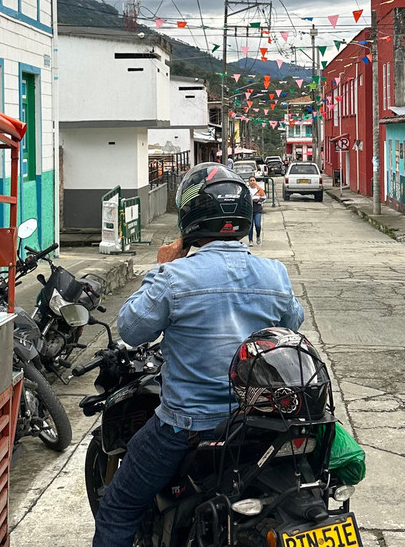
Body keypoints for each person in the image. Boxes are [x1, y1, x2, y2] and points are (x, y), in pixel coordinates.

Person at [92, 163, 303, 547]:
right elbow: (294, 322)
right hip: (257, 426)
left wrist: (160, 269)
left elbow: (131, 329)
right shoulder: (274, 273)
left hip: (187, 428)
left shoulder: (174, 277)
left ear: (190, 215)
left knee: (120, 506)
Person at [247, 175, 265, 245]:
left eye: (253, 180)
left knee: (258, 224)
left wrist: (258, 200)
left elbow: (264, 198)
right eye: (251, 181)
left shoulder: (259, 189)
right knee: (250, 226)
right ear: (249, 182)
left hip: (257, 209)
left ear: (255, 181)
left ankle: (258, 236)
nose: (252, 182)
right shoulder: (247, 190)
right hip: (249, 210)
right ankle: (250, 240)